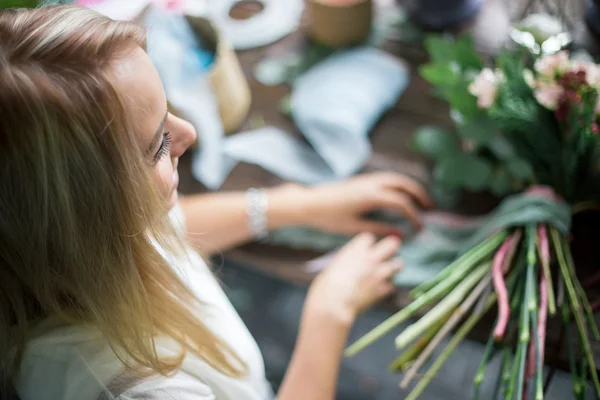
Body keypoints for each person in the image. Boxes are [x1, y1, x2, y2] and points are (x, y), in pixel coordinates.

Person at [0, 5, 431, 400]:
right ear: (85, 215)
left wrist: (296, 204)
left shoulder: (75, 252)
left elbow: (166, 227)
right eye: (157, 145)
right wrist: (329, 313)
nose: (188, 133)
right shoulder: (142, 391)